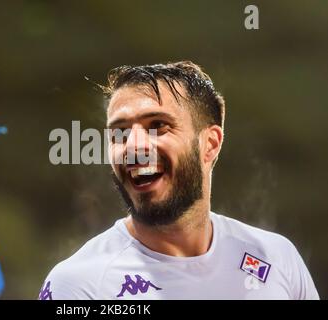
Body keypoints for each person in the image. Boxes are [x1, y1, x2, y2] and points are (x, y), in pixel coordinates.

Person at [38, 61, 319, 300]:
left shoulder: (276, 257)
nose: (132, 146)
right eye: (119, 133)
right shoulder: (79, 286)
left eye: (158, 125)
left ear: (210, 144)